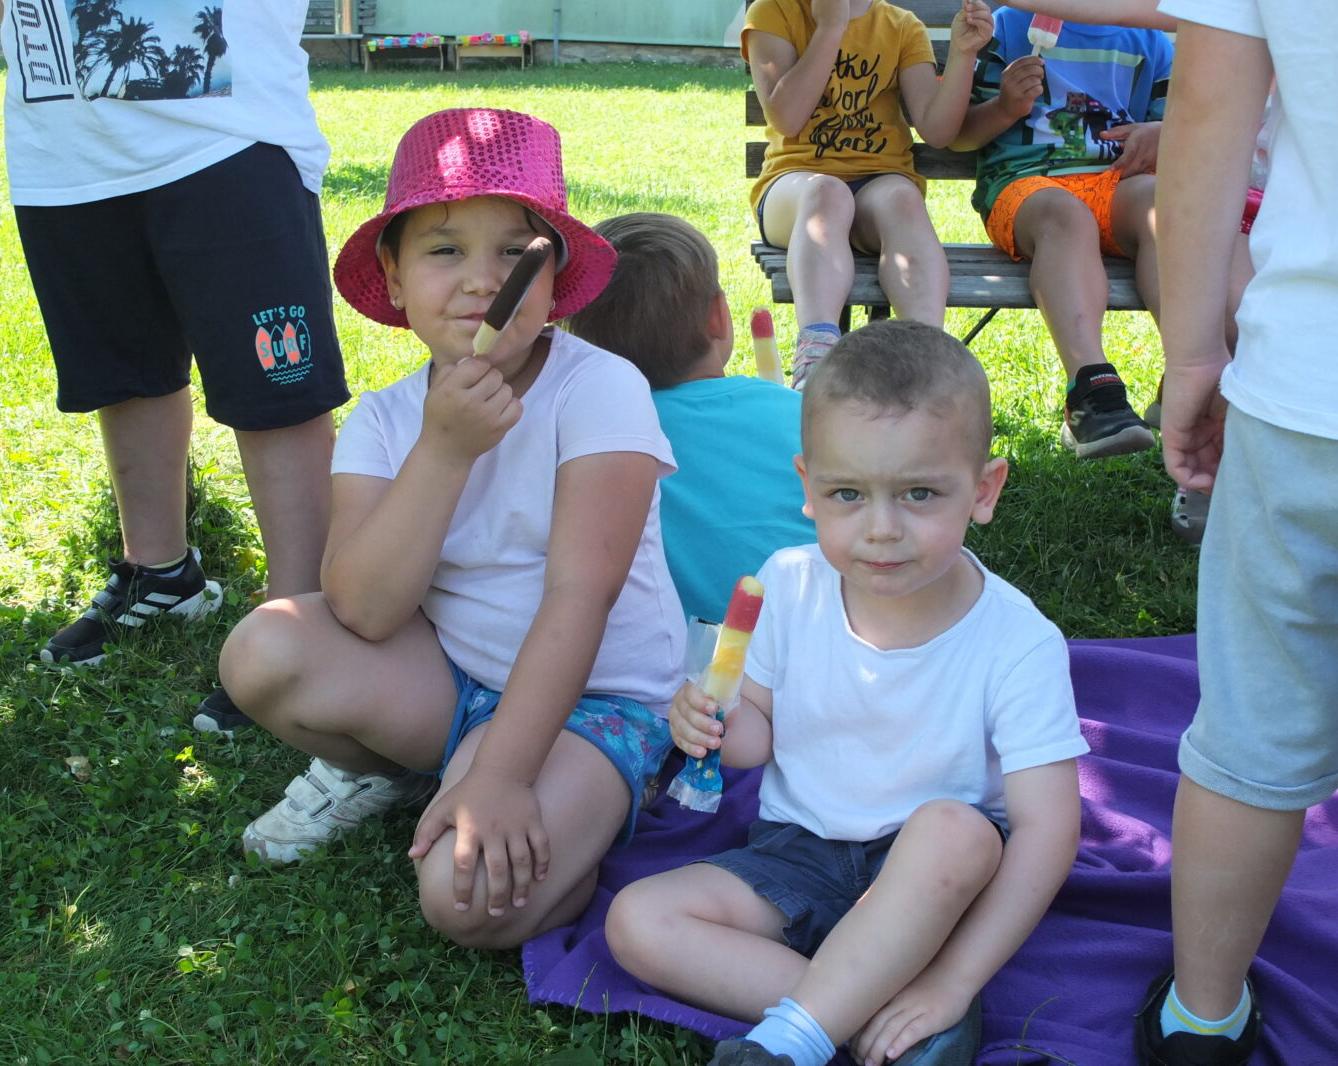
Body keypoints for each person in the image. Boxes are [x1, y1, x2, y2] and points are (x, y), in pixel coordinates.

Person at [217, 108, 687, 949]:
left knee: (462, 903)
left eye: (516, 253)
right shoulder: (386, 423)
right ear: (393, 280)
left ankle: (608, 790)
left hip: (601, 699)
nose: (481, 280)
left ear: (555, 278)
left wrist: (503, 775)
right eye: (444, 250)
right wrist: (442, 451)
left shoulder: (599, 388)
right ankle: (418, 776)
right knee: (264, 649)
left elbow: (582, 595)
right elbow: (362, 610)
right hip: (456, 687)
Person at [605, 320, 1088, 1066]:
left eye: (920, 493)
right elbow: (756, 728)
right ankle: (878, 1018)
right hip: (798, 855)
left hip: (929, 880)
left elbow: (1049, 831)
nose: (881, 529)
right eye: (848, 494)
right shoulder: (791, 584)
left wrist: (956, 980)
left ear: (984, 490)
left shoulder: (1017, 642)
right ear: (807, 488)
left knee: (955, 831)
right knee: (638, 920)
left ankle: (792, 1041)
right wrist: (708, 720)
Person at [1, 1, 349, 733]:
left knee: (275, 389)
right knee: (124, 374)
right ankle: (160, 572)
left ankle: (300, 620)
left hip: (222, 135)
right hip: (64, 148)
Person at [1134, 4, 1338, 1064]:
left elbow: (1210, 107)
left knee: (1253, 726)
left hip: (1310, 387)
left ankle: (1201, 1020)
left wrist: (1192, 353)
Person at [565, 213, 814, 625]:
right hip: (820, 632)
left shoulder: (594, 439)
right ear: (718, 316)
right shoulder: (803, 413)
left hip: (680, 660)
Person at [954, 7, 1173, 459]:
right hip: (1025, 184)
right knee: (1066, 216)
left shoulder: (1152, 40)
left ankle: (1184, 378)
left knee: (1164, 207)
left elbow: (1183, 129)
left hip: (1116, 180)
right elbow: (957, 135)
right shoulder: (1008, 27)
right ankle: (1091, 392)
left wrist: (1161, 133)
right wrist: (1004, 107)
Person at [742, 0, 995, 387]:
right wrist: (830, 27)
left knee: (902, 199)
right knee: (828, 194)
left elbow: (938, 130)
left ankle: (929, 361)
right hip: (794, 187)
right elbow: (788, 118)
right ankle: (818, 355)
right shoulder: (773, 11)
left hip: (877, 184)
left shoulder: (900, 25)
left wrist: (962, 54)